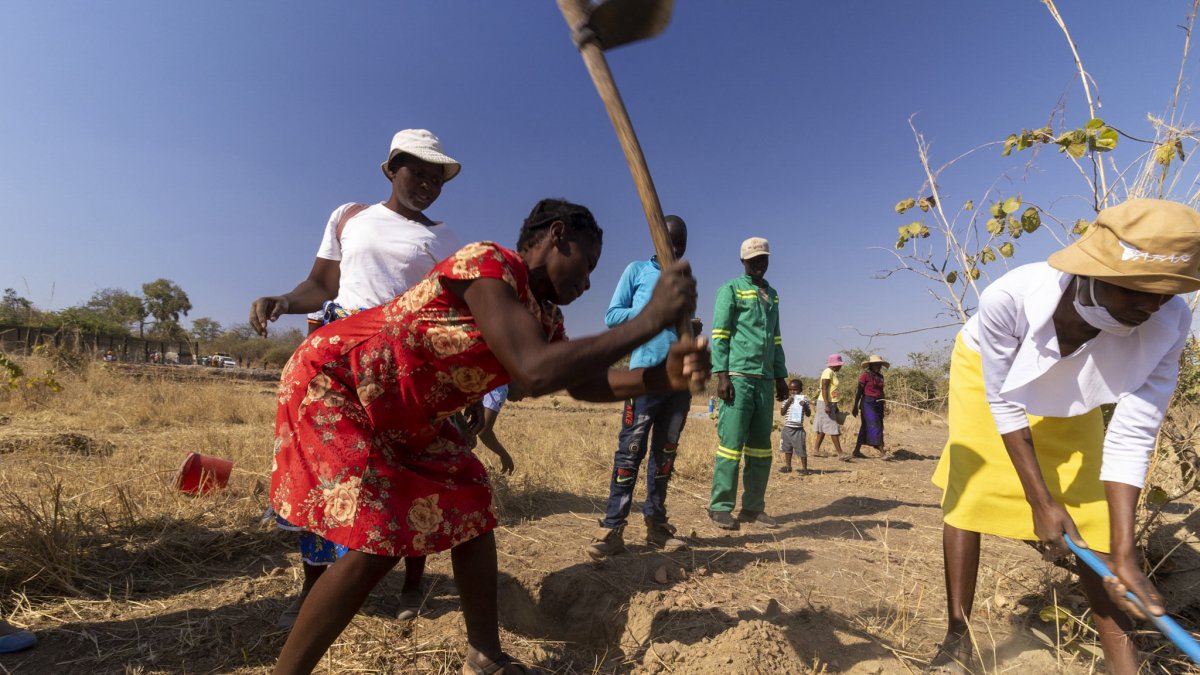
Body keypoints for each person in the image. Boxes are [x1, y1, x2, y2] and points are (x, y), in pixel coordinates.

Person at [269, 199, 709, 675]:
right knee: (380, 535)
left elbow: (581, 382)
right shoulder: (488, 264)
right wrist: (649, 319)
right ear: (557, 235)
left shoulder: (544, 319)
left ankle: (485, 656)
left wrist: (662, 376)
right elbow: (534, 371)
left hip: (405, 414)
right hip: (341, 383)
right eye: (586, 265)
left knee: (471, 500)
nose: (586, 283)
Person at [928, 198, 1200, 674]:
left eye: (1166, 292)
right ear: (1091, 272)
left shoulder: (1169, 322)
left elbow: (1133, 434)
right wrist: (1039, 499)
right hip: (987, 378)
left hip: (1077, 390)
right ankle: (957, 634)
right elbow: (1003, 401)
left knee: (1090, 506)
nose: (1152, 305)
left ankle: (1120, 655)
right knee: (970, 494)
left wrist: (1123, 553)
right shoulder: (1009, 300)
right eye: (1138, 289)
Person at [248, 128, 465, 628]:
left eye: (438, 178)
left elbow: (446, 316)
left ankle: (412, 585)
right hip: (338, 361)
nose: (428, 184)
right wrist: (282, 299)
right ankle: (314, 592)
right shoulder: (350, 217)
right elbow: (321, 284)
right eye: (418, 172)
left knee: (414, 473)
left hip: (404, 368)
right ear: (391, 169)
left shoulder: (443, 238)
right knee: (326, 478)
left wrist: (457, 386)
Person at [588, 215, 692, 559]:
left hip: (678, 381)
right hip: (644, 377)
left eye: (681, 242)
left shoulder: (684, 278)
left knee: (665, 456)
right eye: (670, 240)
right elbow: (612, 316)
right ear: (657, 240)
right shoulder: (637, 271)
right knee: (630, 453)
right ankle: (613, 528)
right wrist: (650, 311)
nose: (676, 248)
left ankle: (656, 526)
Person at [708, 236, 788, 531]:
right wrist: (722, 375)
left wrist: (780, 376)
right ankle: (720, 507)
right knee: (731, 446)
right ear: (743, 261)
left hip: (765, 381)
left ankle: (753, 508)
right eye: (754, 260)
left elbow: (776, 339)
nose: (759, 265)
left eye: (763, 259)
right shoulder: (730, 290)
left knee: (760, 449)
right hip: (738, 378)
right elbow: (720, 335)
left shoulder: (773, 295)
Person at [851, 354, 891, 460]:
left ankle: (856, 451)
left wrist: (885, 404)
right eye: (875, 364)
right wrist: (855, 406)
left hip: (879, 403)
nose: (877, 366)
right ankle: (882, 451)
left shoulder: (881, 377)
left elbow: (881, 392)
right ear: (871, 365)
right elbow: (859, 392)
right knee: (875, 425)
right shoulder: (865, 376)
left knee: (866, 426)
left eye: (879, 364)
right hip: (867, 403)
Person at [811, 354, 848, 461]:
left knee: (823, 427)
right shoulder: (827, 372)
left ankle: (816, 450)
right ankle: (841, 454)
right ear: (835, 365)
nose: (841, 367)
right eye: (840, 364)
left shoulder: (831, 373)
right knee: (833, 427)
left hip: (829, 403)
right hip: (824, 403)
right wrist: (827, 405)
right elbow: (824, 389)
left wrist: (834, 405)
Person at [477, 384, 516, 476]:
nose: (521, 399)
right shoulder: (500, 389)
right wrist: (504, 455)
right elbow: (484, 431)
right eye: (525, 393)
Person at [778, 378, 811, 475]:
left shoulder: (804, 401)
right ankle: (788, 466)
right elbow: (782, 413)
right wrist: (788, 402)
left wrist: (804, 406)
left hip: (798, 430)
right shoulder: (786, 400)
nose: (793, 392)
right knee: (787, 448)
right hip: (787, 428)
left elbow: (808, 414)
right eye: (791, 389)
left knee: (801, 449)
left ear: (800, 390)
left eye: (795, 389)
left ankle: (805, 469)